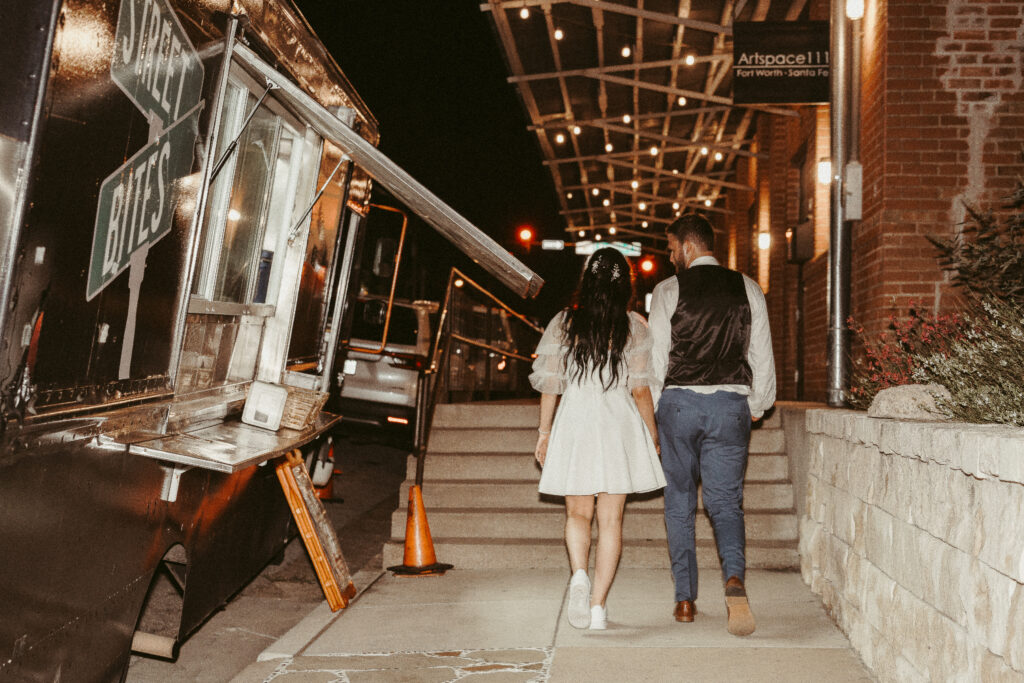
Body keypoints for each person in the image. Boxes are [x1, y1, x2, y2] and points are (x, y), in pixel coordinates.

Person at [648, 214, 776, 636]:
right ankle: (734, 578)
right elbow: (761, 355)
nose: (670, 258)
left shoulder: (668, 291)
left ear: (687, 246)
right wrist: (756, 404)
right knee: (724, 503)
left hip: (679, 404)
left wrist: (653, 414)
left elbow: (656, 362)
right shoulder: (748, 287)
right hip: (729, 405)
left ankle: (685, 599)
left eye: (670, 249)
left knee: (679, 503)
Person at [530, 247, 666, 631]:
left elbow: (550, 384)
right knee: (611, 521)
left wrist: (545, 432)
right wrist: (651, 435)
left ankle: (578, 574)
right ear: (626, 284)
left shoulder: (564, 323)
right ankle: (597, 609)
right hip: (616, 421)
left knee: (577, 514)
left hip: (576, 417)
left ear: (586, 281)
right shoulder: (633, 325)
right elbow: (640, 389)